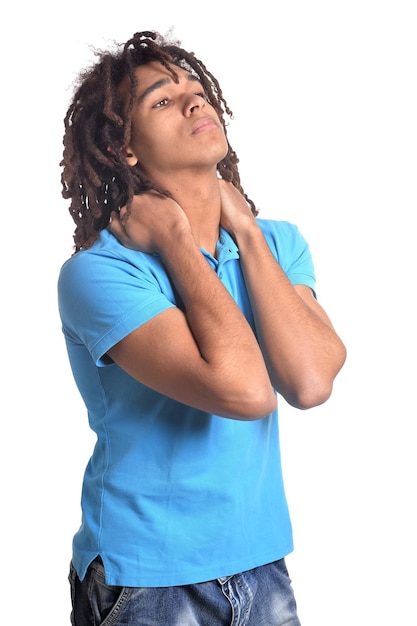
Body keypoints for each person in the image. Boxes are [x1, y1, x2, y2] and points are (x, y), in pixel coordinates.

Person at [58, 30, 347, 626]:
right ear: (126, 149)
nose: (194, 103)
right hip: (147, 578)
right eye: (162, 100)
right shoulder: (99, 274)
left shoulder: (275, 243)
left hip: (262, 562)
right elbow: (242, 391)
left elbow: (312, 382)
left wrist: (244, 231)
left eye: (196, 90)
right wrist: (174, 240)